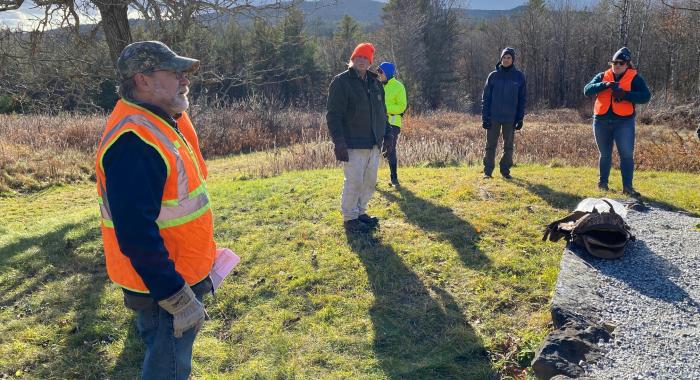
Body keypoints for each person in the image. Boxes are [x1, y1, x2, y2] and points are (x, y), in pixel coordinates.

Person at [95, 41, 216, 379]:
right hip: (163, 290)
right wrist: (174, 295)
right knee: (168, 367)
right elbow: (135, 233)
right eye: (174, 72)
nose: (185, 80)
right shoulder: (134, 141)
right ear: (143, 80)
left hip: (176, 275)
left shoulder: (158, 121)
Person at [326, 42, 394, 232]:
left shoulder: (375, 82)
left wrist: (388, 135)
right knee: (354, 181)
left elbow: (382, 112)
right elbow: (333, 115)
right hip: (353, 144)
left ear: (370, 61)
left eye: (366, 58)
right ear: (352, 59)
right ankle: (350, 219)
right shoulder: (341, 82)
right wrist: (338, 142)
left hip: (374, 143)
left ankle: (360, 212)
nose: (362, 60)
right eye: (359, 57)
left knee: (369, 182)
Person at [584, 47, 651, 198]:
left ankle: (627, 188)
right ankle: (602, 185)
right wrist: (605, 85)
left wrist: (626, 95)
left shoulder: (635, 78)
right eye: (615, 62)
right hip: (601, 122)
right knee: (605, 154)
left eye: (621, 63)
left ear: (627, 64)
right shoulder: (602, 76)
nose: (617, 65)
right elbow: (587, 90)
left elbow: (646, 97)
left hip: (624, 123)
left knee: (626, 154)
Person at [481, 47, 527, 179]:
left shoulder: (519, 77)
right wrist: (485, 117)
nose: (506, 60)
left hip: (510, 118)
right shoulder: (493, 76)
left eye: (509, 58)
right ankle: (487, 172)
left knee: (508, 147)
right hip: (493, 117)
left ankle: (505, 172)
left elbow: (522, 99)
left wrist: (520, 118)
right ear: (500, 59)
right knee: (490, 145)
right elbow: (486, 98)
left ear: (513, 60)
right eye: (504, 57)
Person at [377, 61, 407, 186]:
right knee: (373, 149)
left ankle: (394, 179)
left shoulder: (399, 86)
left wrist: (384, 107)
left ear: (388, 73)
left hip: (393, 124)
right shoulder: (377, 85)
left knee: (390, 150)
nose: (379, 75)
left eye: (381, 72)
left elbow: (401, 107)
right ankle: (369, 179)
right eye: (378, 72)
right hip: (377, 123)